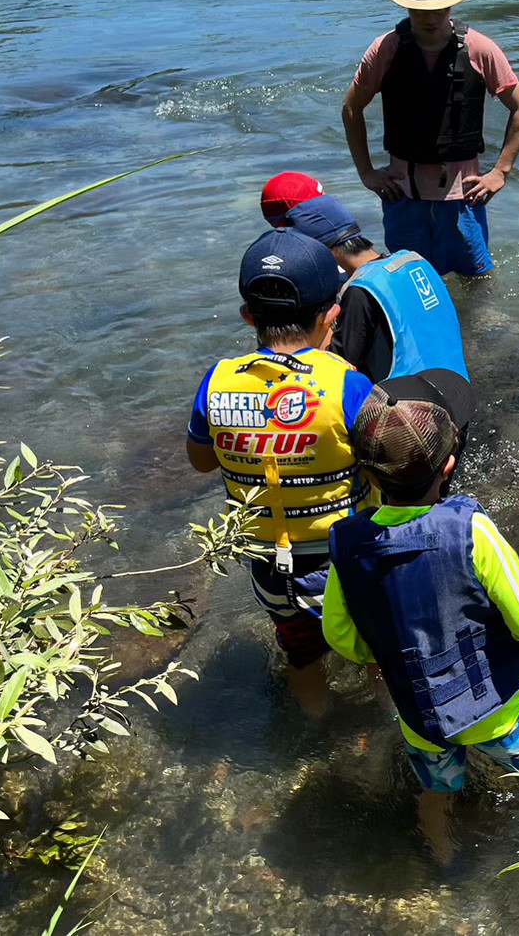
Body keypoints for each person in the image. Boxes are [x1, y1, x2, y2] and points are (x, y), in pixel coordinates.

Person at [323, 388, 519, 816]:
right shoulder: (470, 530)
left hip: (420, 719)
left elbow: (340, 635)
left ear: (371, 478)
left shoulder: (346, 542)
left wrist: (381, 656)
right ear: (448, 465)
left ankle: (440, 854)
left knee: (438, 792)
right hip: (499, 710)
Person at [185, 228, 378, 716]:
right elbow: (383, 471)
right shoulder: (347, 386)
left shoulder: (217, 380)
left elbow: (201, 460)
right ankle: (372, 729)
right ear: (332, 315)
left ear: (249, 316)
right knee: (376, 646)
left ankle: (318, 722)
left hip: (270, 567)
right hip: (342, 562)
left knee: (301, 656)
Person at [341, 0, 519, 279]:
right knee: (408, 278)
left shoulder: (479, 49)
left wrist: (500, 171)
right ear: (405, 4)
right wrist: (367, 172)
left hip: (462, 198)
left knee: (476, 281)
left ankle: (477, 332)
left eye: (439, 9)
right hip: (403, 195)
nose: (430, 18)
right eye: (420, 10)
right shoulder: (385, 49)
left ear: (453, 3)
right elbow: (351, 108)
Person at [259, 171, 470, 385]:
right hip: (459, 390)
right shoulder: (413, 260)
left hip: (413, 410)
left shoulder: (360, 293)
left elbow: (338, 365)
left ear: (325, 253)